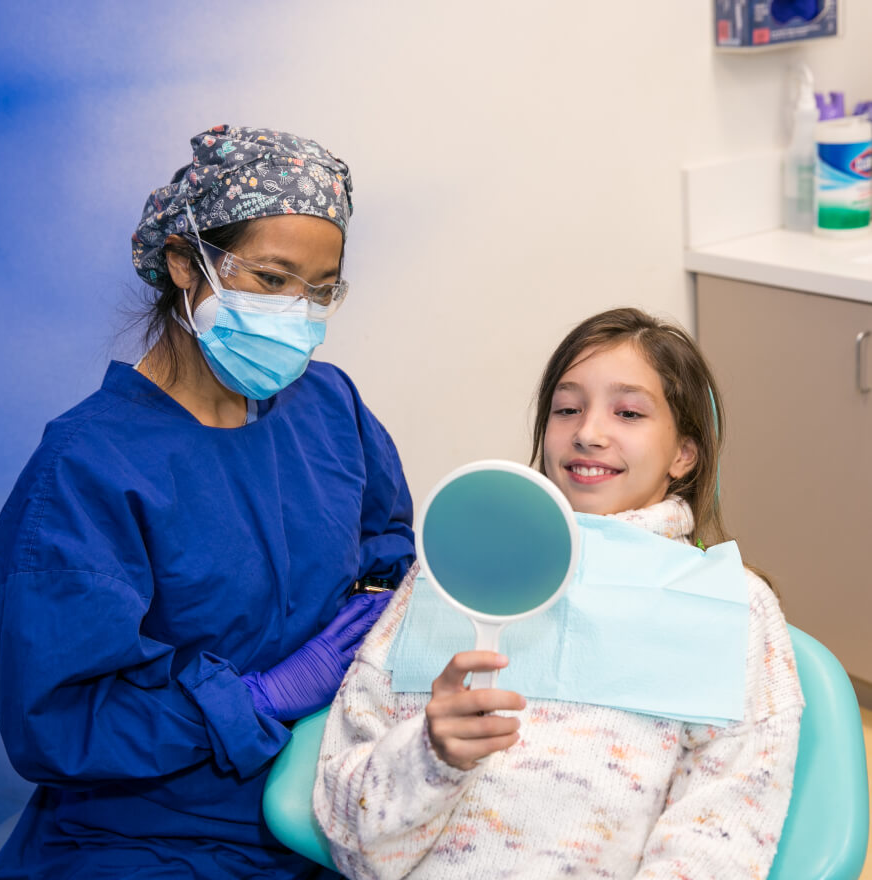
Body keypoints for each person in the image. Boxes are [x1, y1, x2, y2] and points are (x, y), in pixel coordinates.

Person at [0, 124, 415, 880]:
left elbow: (385, 549)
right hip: (148, 838)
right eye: (273, 280)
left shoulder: (327, 405)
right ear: (185, 263)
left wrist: (381, 621)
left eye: (320, 289)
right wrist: (260, 697)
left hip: (328, 801)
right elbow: (60, 720)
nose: (299, 313)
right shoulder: (89, 468)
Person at [314, 307, 803, 879]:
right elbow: (351, 839)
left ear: (683, 454)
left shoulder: (731, 609)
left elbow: (724, 829)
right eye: (566, 409)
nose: (588, 433)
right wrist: (429, 755)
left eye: (628, 412)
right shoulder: (447, 575)